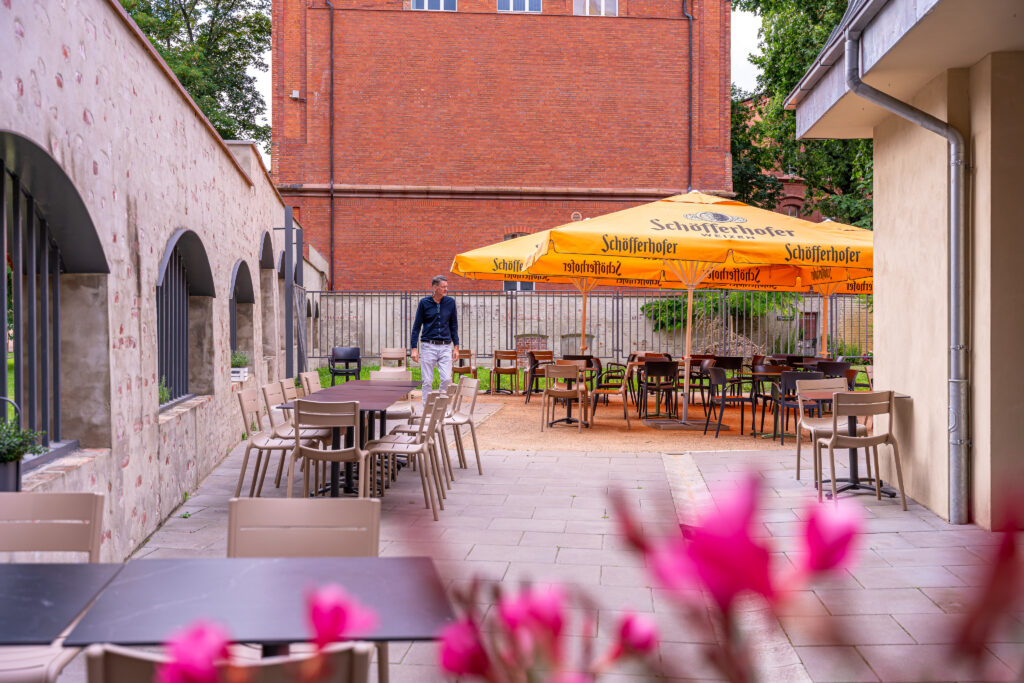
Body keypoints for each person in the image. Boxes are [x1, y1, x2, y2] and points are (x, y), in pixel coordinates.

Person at [410, 275, 460, 406]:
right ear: (435, 287)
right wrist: (414, 348)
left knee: (446, 379)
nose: (446, 289)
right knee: (427, 381)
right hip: (428, 346)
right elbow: (416, 327)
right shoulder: (424, 303)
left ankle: (441, 405)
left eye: (446, 287)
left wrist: (456, 347)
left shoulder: (450, 303)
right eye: (443, 287)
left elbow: (454, 326)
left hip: (445, 346)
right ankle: (427, 407)